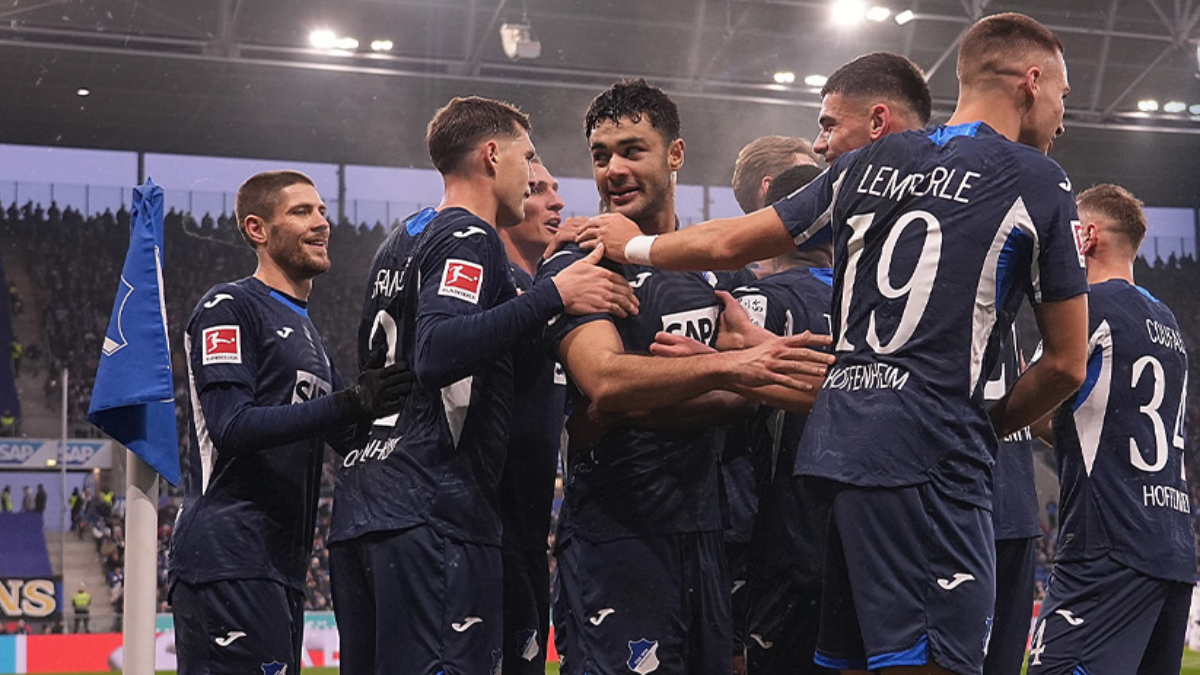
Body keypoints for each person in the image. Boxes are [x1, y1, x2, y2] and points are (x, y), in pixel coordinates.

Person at [578, 15, 1090, 674]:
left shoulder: (868, 165)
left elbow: (731, 240)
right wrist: (982, 423)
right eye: (1064, 97)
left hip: (838, 464)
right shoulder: (1036, 179)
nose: (1062, 117)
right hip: (934, 464)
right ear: (1032, 81)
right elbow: (1066, 364)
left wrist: (637, 244)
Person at [327, 96, 639, 674]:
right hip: (434, 506)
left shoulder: (399, 240)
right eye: (528, 158)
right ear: (492, 156)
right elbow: (437, 351)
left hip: (365, 506)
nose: (532, 174)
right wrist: (555, 294)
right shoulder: (471, 234)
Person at [537, 79, 833, 675]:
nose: (615, 170)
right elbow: (607, 381)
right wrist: (728, 367)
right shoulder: (579, 263)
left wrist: (656, 399)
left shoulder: (719, 274)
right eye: (601, 156)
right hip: (617, 537)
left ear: (675, 154)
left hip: (709, 538)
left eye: (632, 151)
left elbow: (753, 398)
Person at [168, 170, 411, 675]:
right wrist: (349, 403)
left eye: (322, 210)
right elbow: (231, 426)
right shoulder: (229, 306)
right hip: (228, 558)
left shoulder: (309, 335)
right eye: (302, 212)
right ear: (257, 229)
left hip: (278, 566)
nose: (321, 222)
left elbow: (353, 434)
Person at [1026, 184, 1193, 675]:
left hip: (1107, 543)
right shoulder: (1168, 324)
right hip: (1173, 548)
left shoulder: (1088, 307)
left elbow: (1036, 405)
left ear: (1087, 236)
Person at [496, 159, 570, 674]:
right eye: (537, 189)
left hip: (528, 539)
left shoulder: (554, 294)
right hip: (483, 537)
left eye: (555, 189)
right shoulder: (494, 291)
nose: (556, 201)